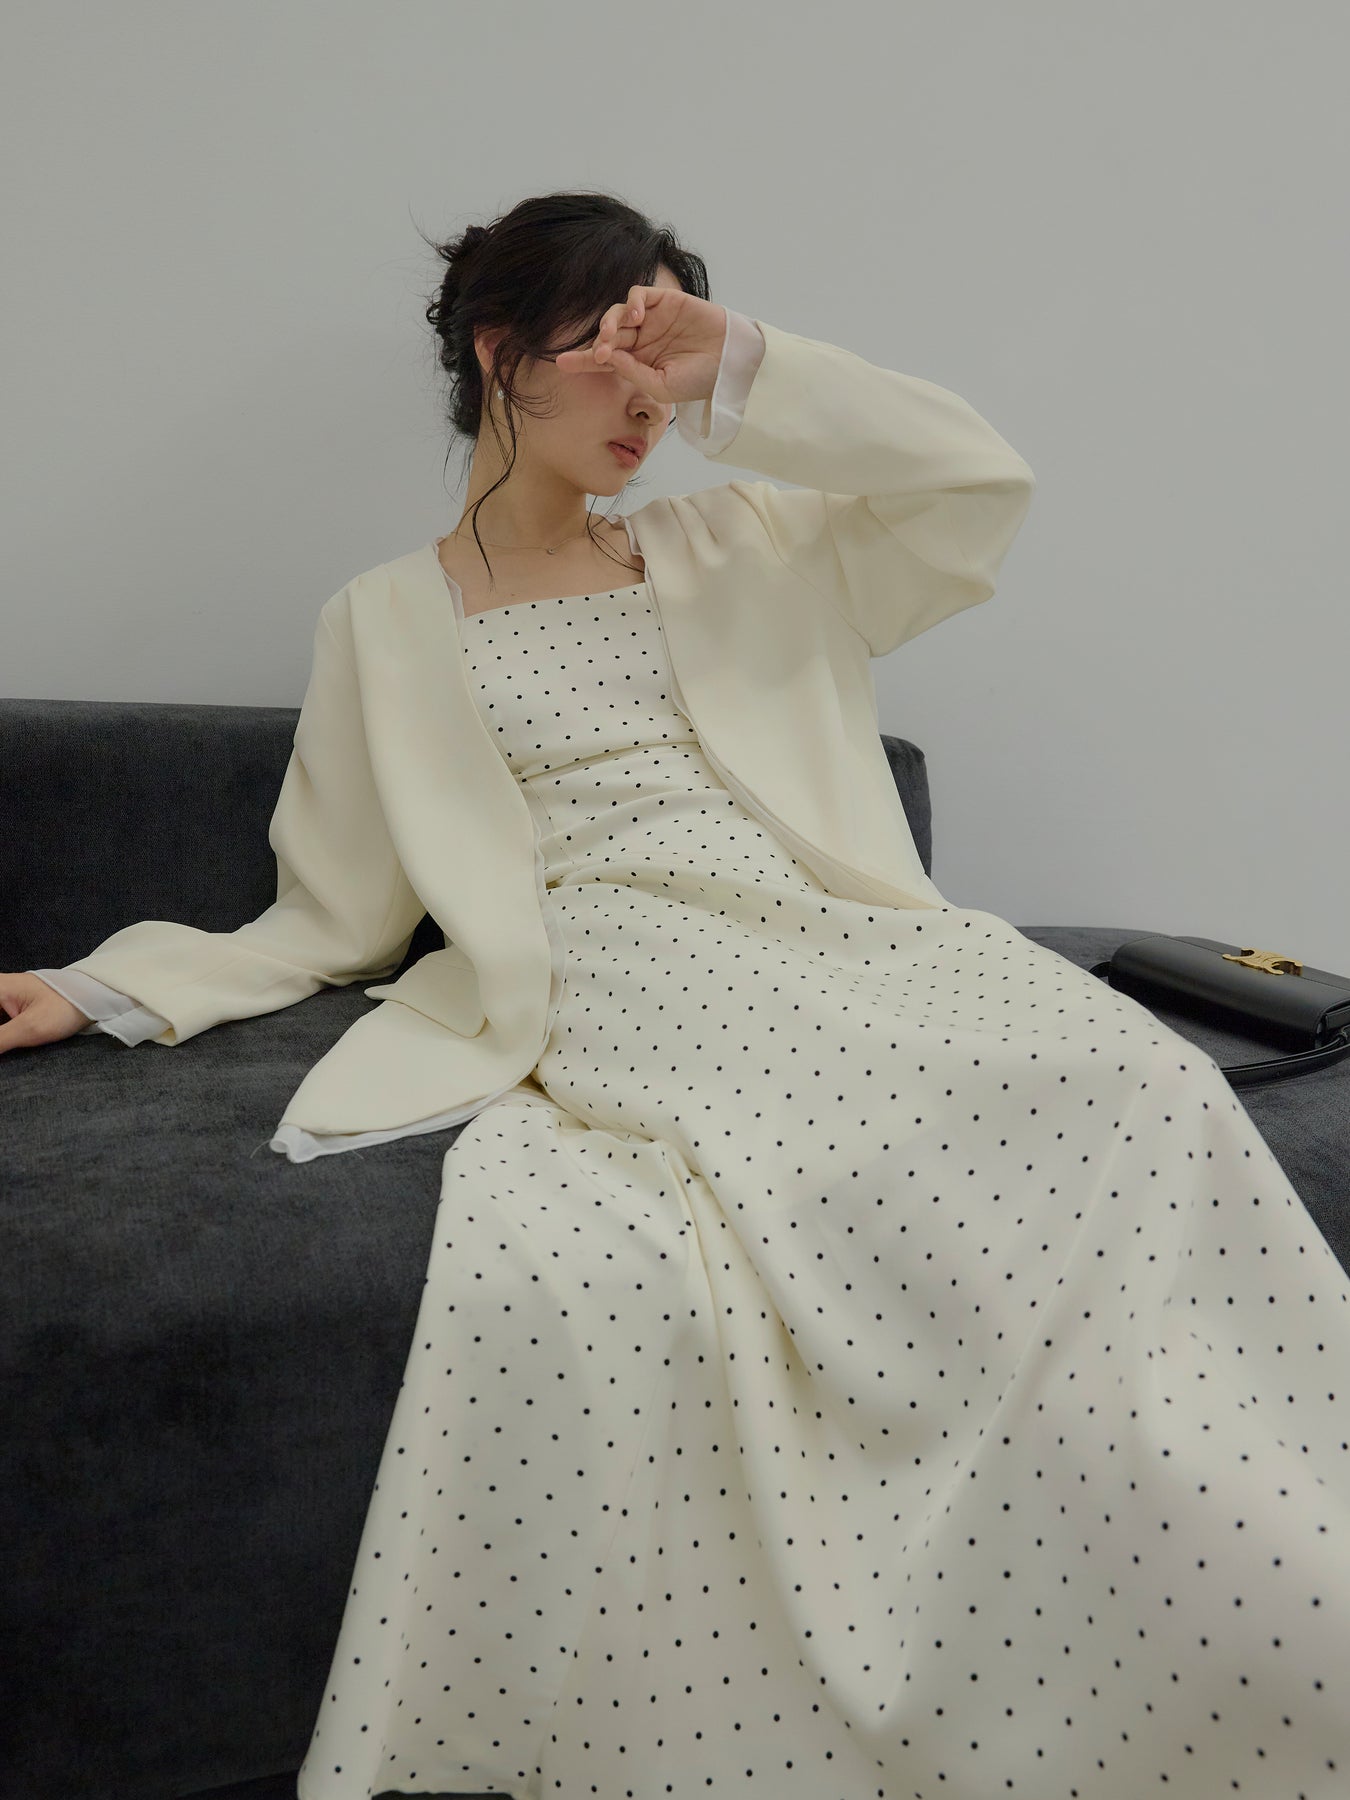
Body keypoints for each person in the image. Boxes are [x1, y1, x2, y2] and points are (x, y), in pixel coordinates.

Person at [6, 190, 1349, 1800]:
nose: (648, 403)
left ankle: (1254, 1594)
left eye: (673, 365)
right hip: (628, 959)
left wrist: (746, 364)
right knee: (828, 1164)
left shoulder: (751, 537)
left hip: (852, 931)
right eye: (610, 352)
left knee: (1134, 1078)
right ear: (499, 353)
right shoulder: (382, 617)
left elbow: (975, 483)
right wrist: (105, 987)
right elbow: (333, 911)